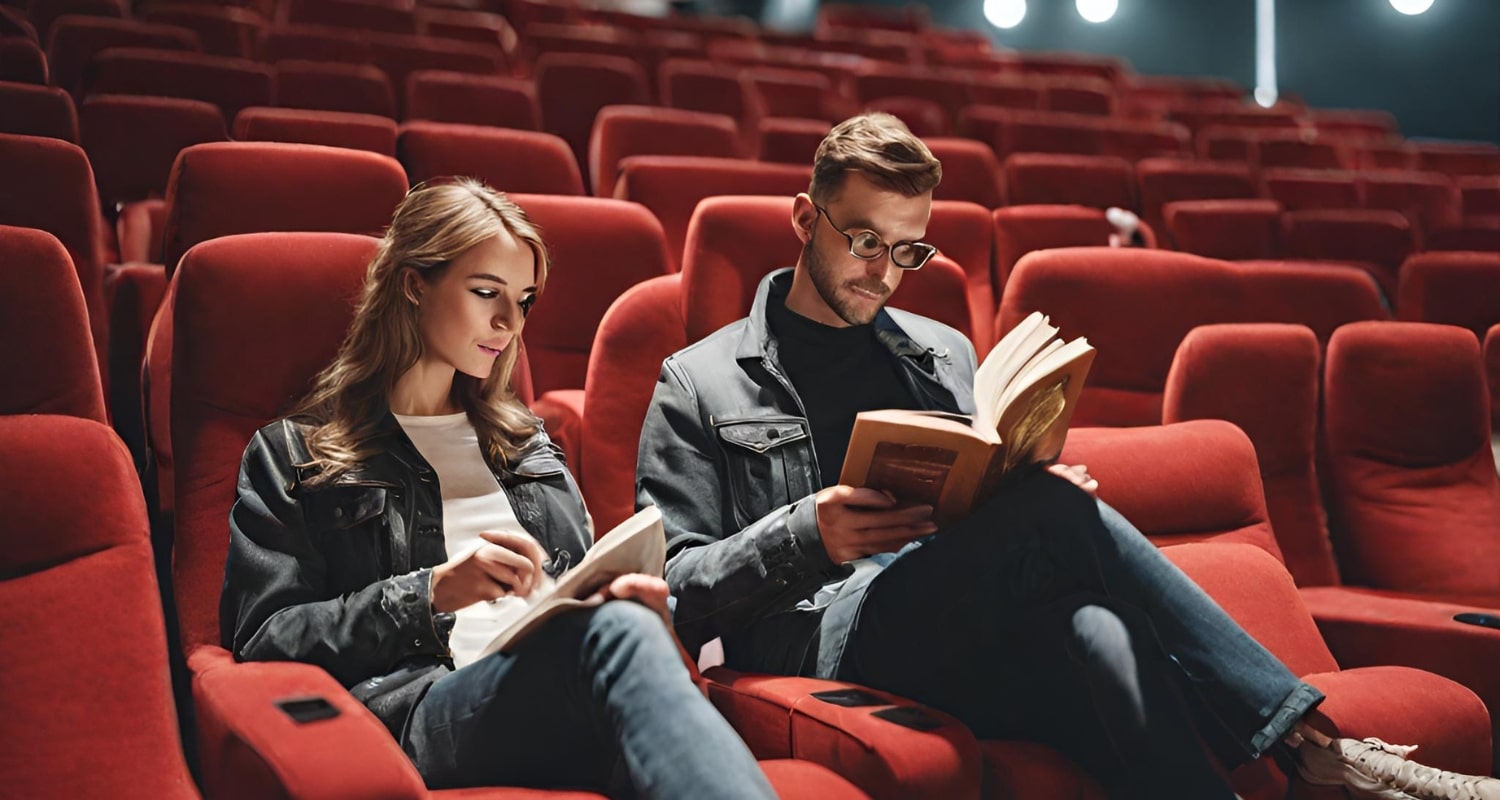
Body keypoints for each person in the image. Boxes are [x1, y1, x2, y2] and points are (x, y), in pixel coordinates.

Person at [636, 113, 1500, 800]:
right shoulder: (700, 379)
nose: (885, 274)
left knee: (1099, 625)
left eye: (910, 251)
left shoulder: (939, 353)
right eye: (864, 242)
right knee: (1053, 521)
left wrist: (1013, 479)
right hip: (824, 636)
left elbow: (966, 490)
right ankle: (1304, 734)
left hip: (951, 609)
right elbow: (672, 593)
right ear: (803, 217)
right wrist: (808, 533)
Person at [221, 179, 777, 799]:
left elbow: (568, 586)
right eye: (486, 293)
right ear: (413, 284)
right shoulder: (296, 451)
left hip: (561, 683)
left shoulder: (527, 442)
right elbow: (263, 638)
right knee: (622, 643)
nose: (510, 323)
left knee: (629, 628)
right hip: (424, 709)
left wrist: (625, 595)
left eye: (524, 300)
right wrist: (429, 593)